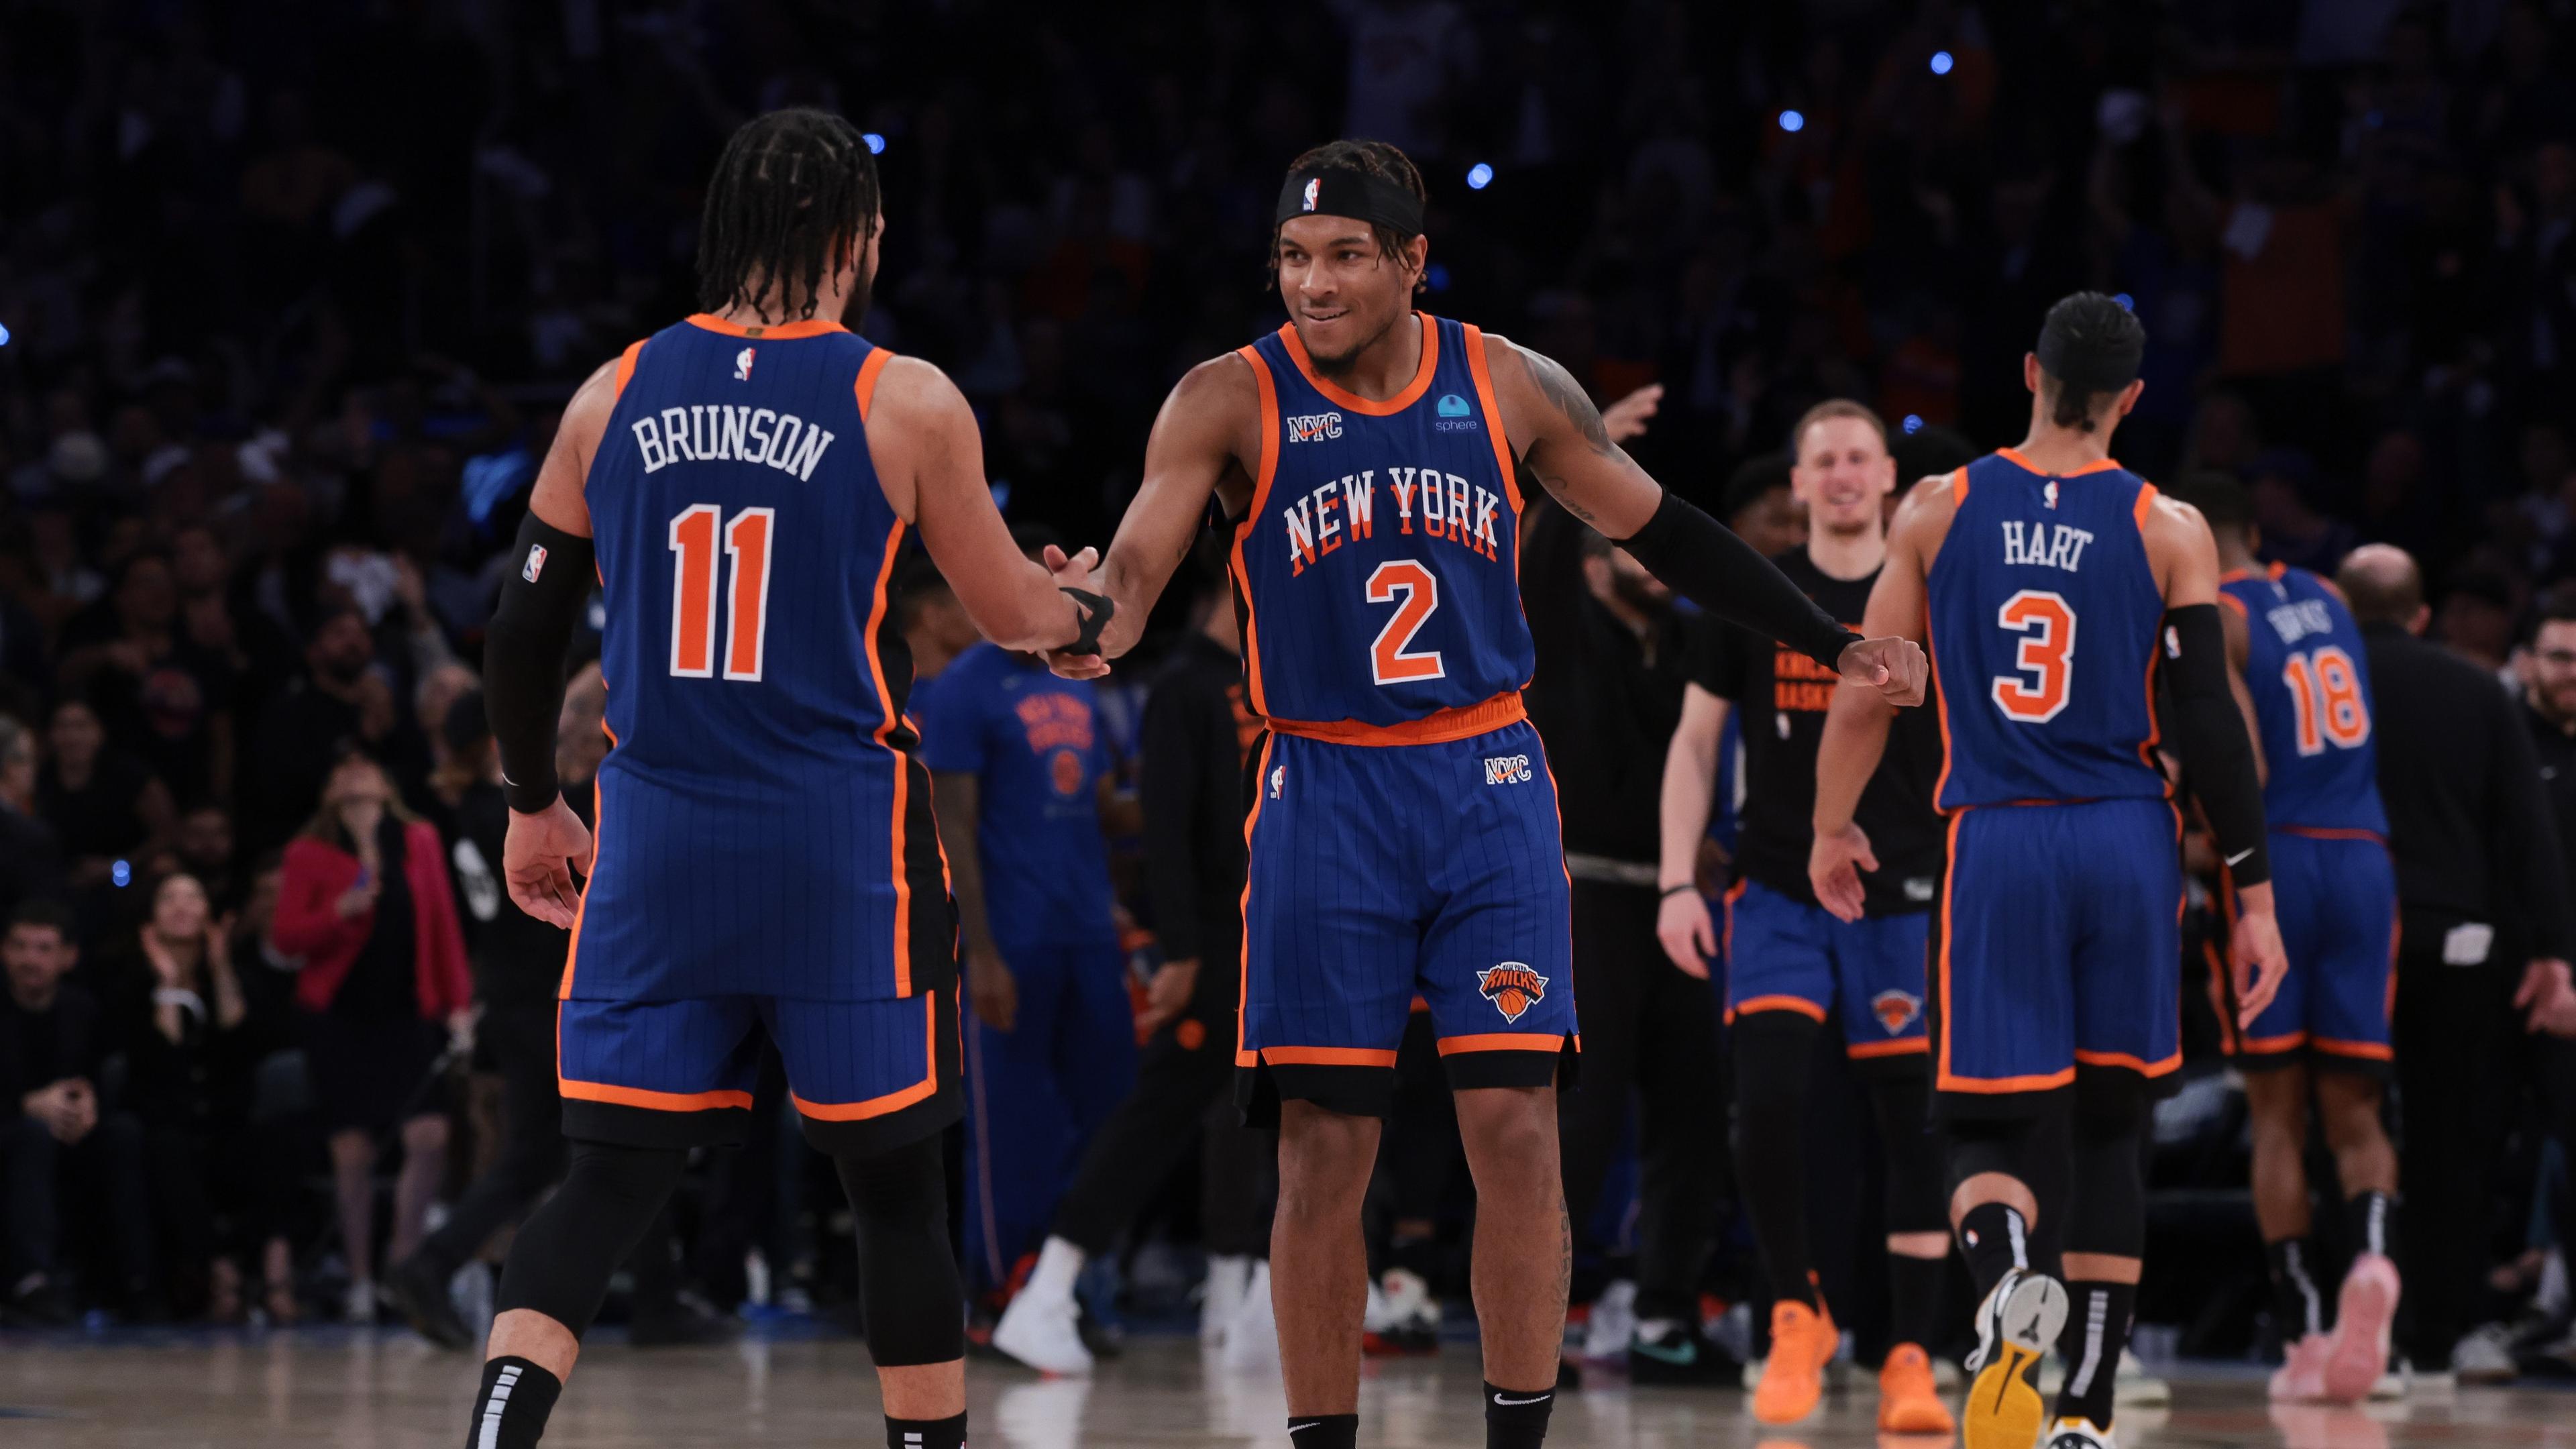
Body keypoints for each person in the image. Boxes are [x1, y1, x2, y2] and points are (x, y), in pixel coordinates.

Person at [1049, 138, 1924, 1449]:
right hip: (1323, 784)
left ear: (1411, 262)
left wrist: (1827, 636)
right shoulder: (1226, 399)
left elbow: (1667, 530)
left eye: (1346, 256)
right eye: (1294, 258)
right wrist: (1077, 620)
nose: (1315, 285)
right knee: (1322, 1151)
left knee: (1516, 1127)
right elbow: (1131, 574)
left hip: (1486, 775)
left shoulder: (1505, 381)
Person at [464, 108, 1099, 1449]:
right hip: (838, 856)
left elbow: (520, 630)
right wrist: (1085, 605)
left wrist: (534, 800)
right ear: (861, 239)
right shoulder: (905, 397)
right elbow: (1008, 619)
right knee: (894, 1194)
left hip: (657, 849)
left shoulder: (614, 390)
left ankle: (492, 1441)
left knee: (603, 1184)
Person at [1811, 292, 2286, 1449]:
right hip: (2129, 838)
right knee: (2110, 1129)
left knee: (1983, 1127)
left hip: (2000, 837)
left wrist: (1831, 825)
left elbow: (1873, 681)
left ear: (2029, 372)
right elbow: (2211, 729)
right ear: (2131, 398)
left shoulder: (1937, 505)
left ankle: (2012, 1281)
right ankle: (2086, 1408)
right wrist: (2253, 891)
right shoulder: (2171, 526)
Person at [1660, 399, 1951, 1431]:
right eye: (1820, 458)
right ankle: (1795, 1310)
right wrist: (1672, 884)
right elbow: (1696, 747)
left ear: (1887, 478)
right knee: (1771, 1100)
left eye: (1856, 458)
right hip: (1776, 887)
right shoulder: (1754, 597)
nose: (1838, 474)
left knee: (1912, 1126)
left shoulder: (1927, 596)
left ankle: (1911, 1351)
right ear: (1797, 482)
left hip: (1901, 891)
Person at [993, 557, 1279, 1372]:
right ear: (1231, 589)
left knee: (1255, 1114)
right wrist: (1182, 950)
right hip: (1213, 941)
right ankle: (1047, 1289)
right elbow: (1166, 830)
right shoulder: (1186, 685)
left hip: (1269, 933)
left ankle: (1231, 1303)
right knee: (1154, 1115)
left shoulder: (1269, 681)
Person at [390, 693, 731, 1350]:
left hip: (520, 1000)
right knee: (629, 1131)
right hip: (549, 999)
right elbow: (598, 794)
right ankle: (656, 1302)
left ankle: (430, 1266)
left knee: (549, 1152)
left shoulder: (474, 810)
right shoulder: (514, 811)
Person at [2168, 472, 2402, 1404]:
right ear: (2255, 529)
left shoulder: (2212, 621)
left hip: (2280, 868)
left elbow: (2245, 769)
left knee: (2276, 1116)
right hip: (2364, 856)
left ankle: (2306, 1329)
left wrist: (2190, 836)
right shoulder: (2329, 594)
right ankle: (2374, 1263)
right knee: (2356, 1113)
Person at [2336, 543, 2575, 1381]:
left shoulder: (2319, 686)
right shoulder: (2478, 691)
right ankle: (2440, 1337)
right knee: (2454, 1142)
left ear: (2339, 601)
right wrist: (2552, 951)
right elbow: (2528, 830)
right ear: (2424, 612)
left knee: (2347, 1128)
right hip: (2459, 942)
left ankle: (2343, 1318)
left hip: (2345, 932)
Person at [1519, 511, 1726, 1382]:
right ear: (1596, 566)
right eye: (1632, 552)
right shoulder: (1561, 632)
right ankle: (1539, 1319)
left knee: (1692, 1114)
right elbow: (1541, 573)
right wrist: (1574, 452)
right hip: (1585, 892)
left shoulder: (1692, 642)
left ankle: (1665, 1313)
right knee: (1583, 1116)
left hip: (1681, 896)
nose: (1656, 567)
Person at [918, 530, 1136, 1316]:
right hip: (1011, 937)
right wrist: (979, 952)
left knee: (1107, 1110)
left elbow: (1104, 804)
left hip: (1088, 930)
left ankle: (1081, 1283)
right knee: (1010, 1127)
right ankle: (1001, 1287)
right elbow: (956, 828)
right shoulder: (961, 691)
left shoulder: (1077, 683)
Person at [268, 747, 473, 1324]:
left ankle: (403, 1266)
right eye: (343, 770)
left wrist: (457, 1004)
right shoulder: (309, 853)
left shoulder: (421, 840)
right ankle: (359, 1278)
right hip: (339, 1017)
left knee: (429, 1135)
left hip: (409, 1011)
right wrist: (340, 908)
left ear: (387, 784)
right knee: (353, 1149)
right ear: (330, 789)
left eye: (366, 769)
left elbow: (443, 927)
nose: (355, 777)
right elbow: (287, 937)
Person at [101, 871, 299, 1324]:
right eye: (169, 898)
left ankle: (275, 1269)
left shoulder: (232, 976)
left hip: (226, 1117)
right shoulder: (132, 982)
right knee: (169, 1148)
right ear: (150, 917)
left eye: (193, 896)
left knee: (277, 1139)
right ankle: (219, 1268)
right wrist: (168, 982)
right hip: (165, 1119)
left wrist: (221, 965)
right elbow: (162, 1063)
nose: (182, 906)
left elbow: (240, 1049)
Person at [0, 899, 152, 1324]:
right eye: (20, 946)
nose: (30, 959)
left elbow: (100, 1075)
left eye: (44, 948)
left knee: (122, 1134)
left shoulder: (82, 1010)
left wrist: (89, 1103)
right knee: (31, 1135)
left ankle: (135, 1282)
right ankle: (32, 1280)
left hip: (69, 1135)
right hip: (11, 1137)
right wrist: (25, 1105)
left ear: (69, 957)